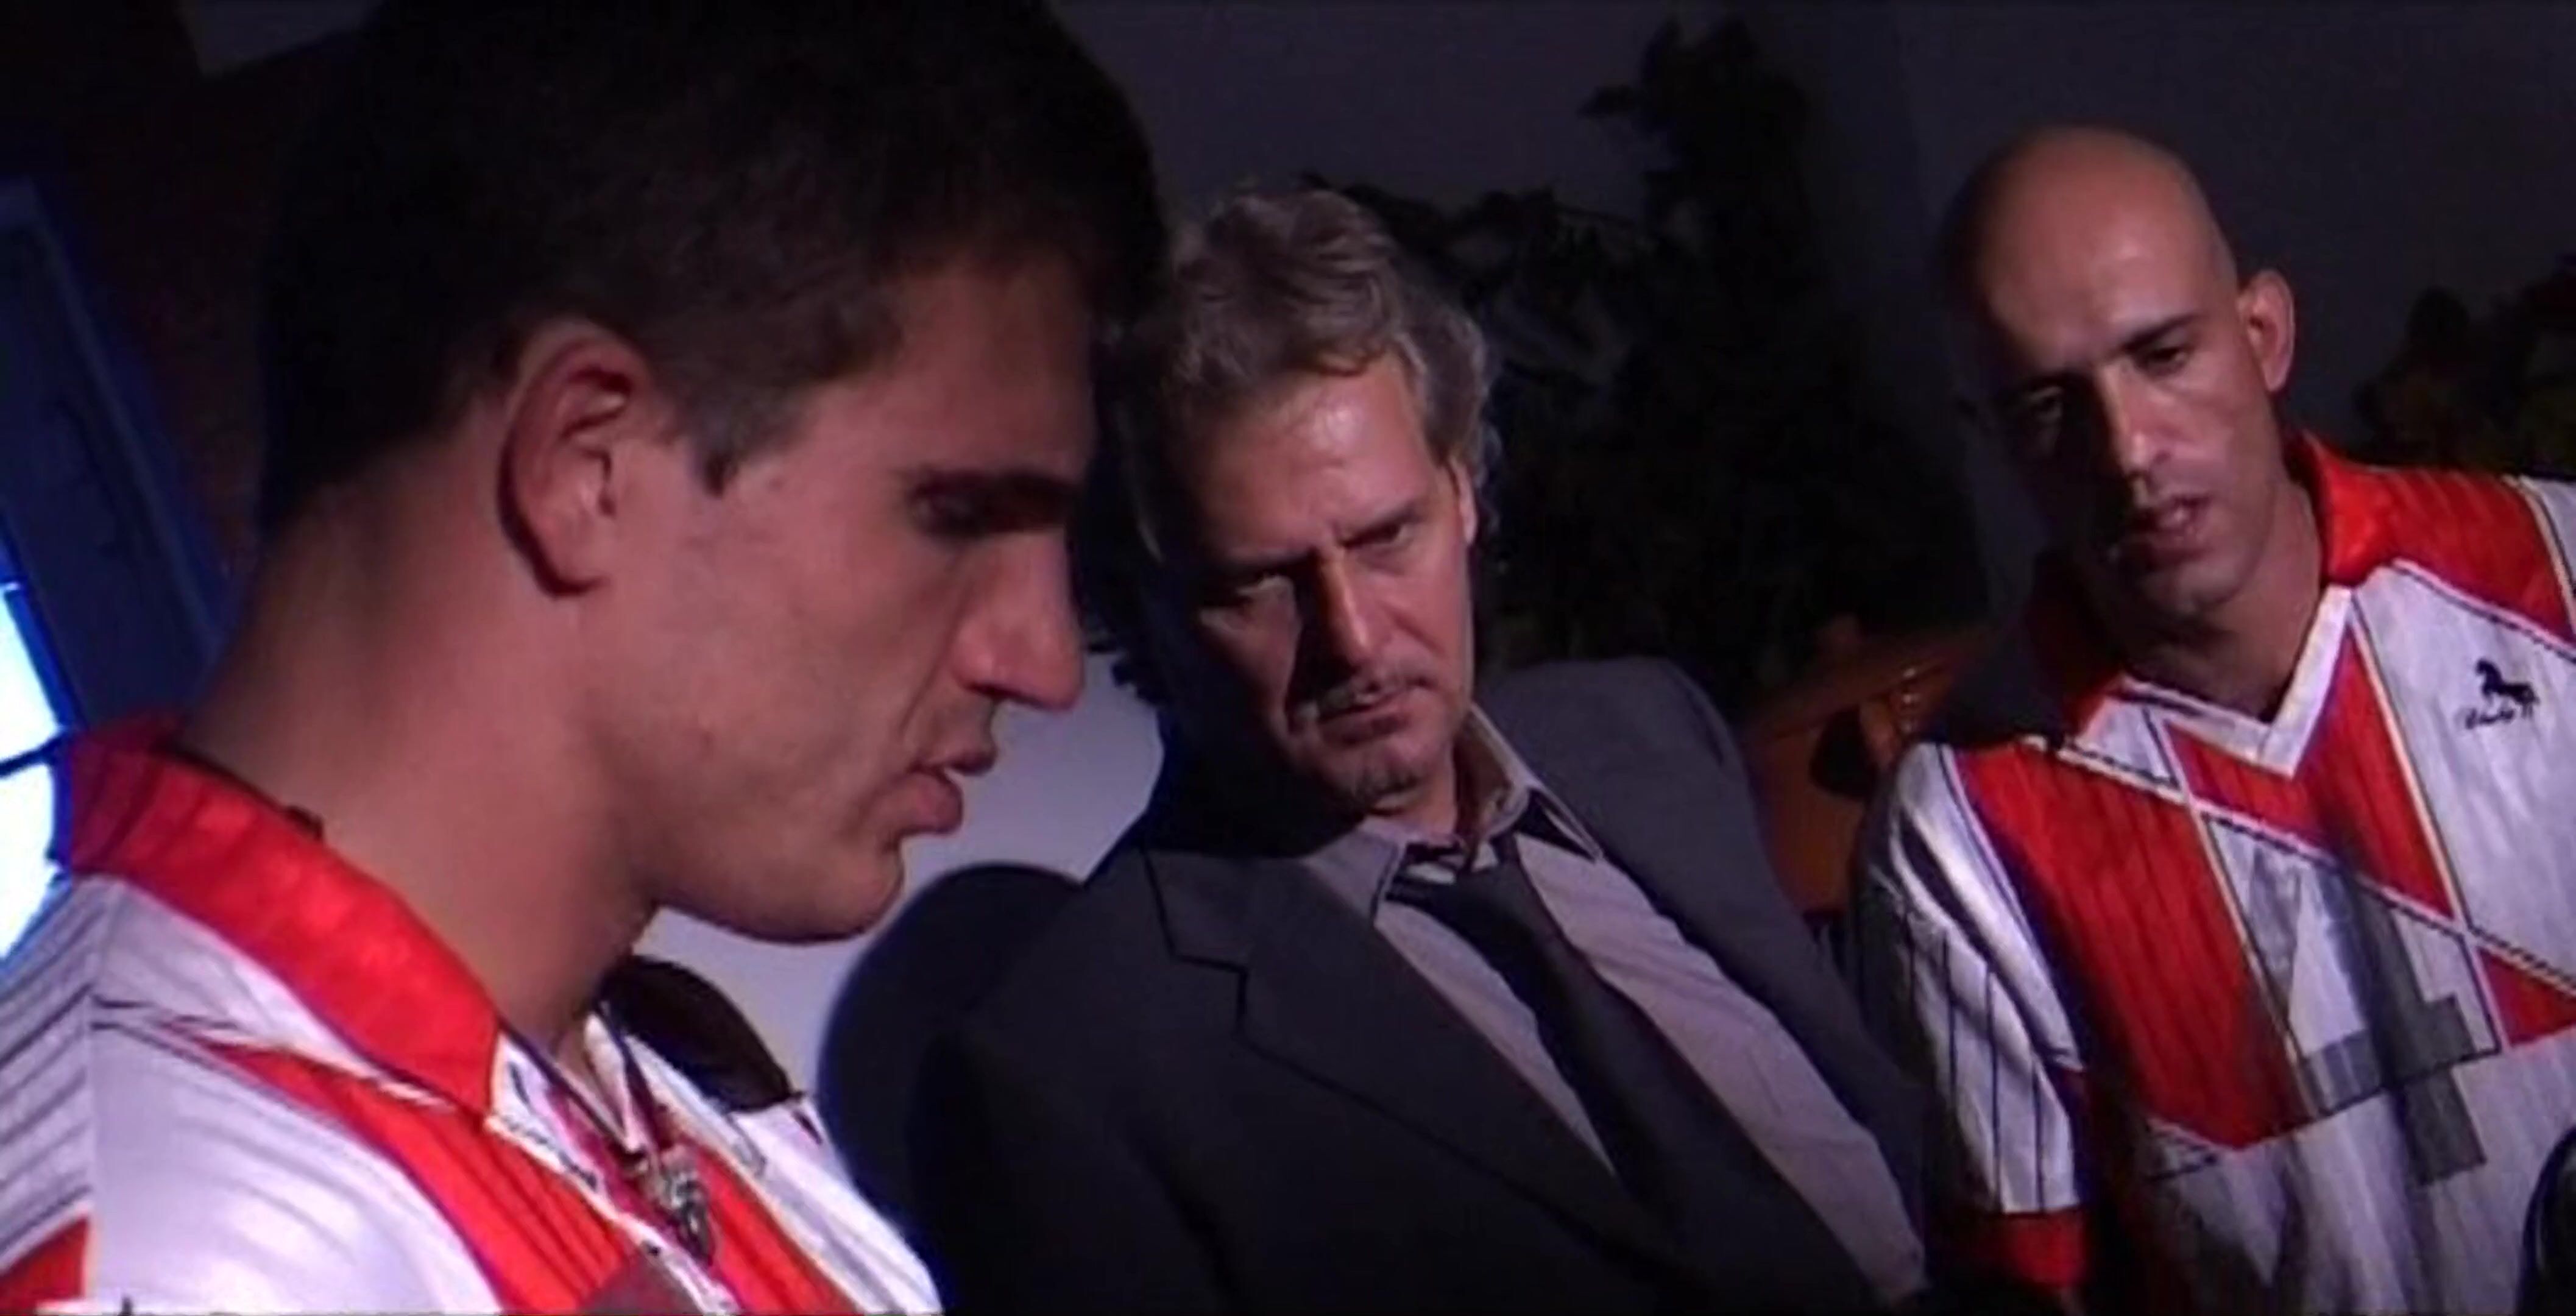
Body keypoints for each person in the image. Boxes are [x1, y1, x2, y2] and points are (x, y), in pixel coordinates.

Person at [0, 1, 1158, 1310]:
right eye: (954, 514)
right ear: (588, 465)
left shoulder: (626, 1068)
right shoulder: (182, 1259)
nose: (1043, 659)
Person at [902, 187, 1928, 1314]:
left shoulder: (1647, 734)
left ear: (1464, 493)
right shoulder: (1075, 1074)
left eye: (1389, 536)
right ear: (1143, 608)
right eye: (1259, 584)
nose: (1352, 637)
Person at [1853, 124, 2576, 1315]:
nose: (2127, 448)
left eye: (2163, 355)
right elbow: (2026, 1293)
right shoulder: (1960, 837)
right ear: (1990, 439)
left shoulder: (2550, 577)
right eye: (2047, 404)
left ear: (2265, 334)